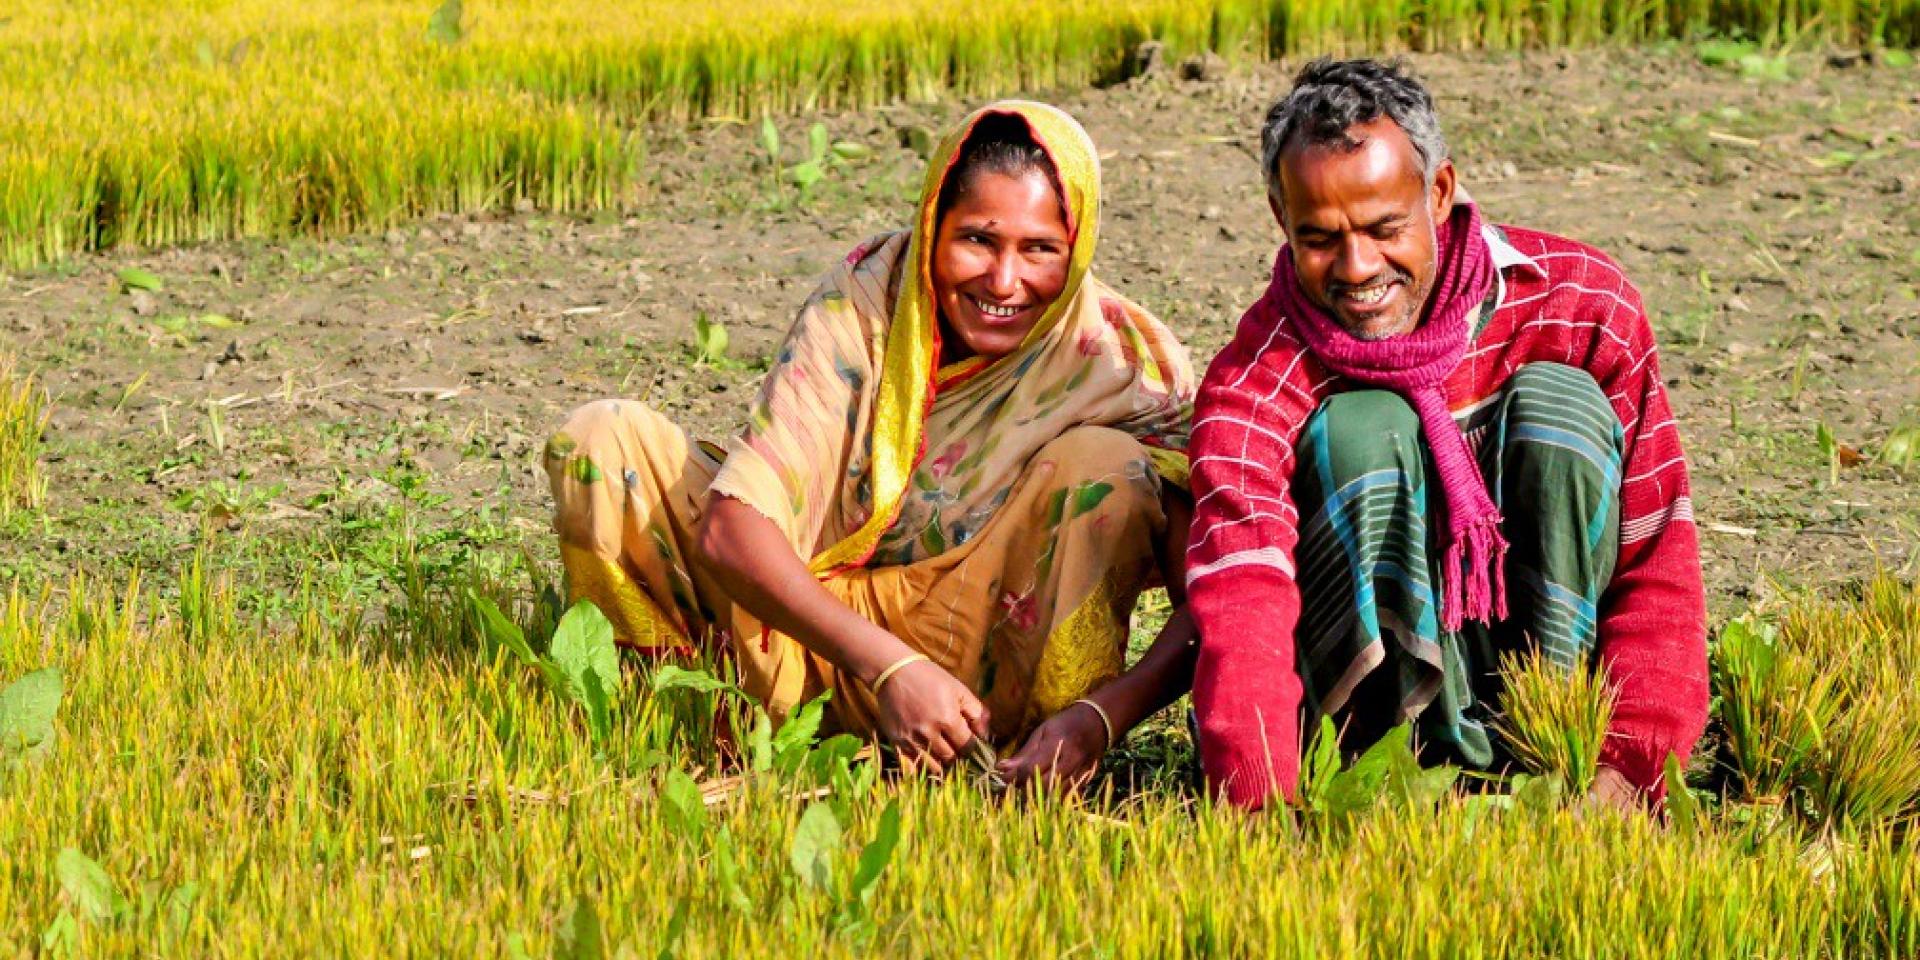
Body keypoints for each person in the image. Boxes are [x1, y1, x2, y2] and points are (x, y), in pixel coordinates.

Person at [545, 102, 1199, 786]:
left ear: (1079, 247)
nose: (1005, 282)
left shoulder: (1117, 363)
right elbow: (731, 527)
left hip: (982, 671)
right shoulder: (863, 307)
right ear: (930, 227)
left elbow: (1213, 595)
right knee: (603, 442)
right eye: (977, 239)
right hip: (807, 633)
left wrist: (1101, 717)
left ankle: (1018, 761)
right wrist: (888, 667)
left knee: (1107, 470)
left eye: (1040, 249)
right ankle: (695, 717)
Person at [1185, 59, 1709, 809]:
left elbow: (1656, 554)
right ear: (1281, 217)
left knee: (1558, 406)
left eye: (1383, 228)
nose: (1358, 267)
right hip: (1371, 751)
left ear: (1437, 194)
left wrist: (1634, 765)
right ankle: (1400, 762)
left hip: (1559, 724)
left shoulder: (1582, 305)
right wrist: (1262, 800)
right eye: (1320, 238)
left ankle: (1546, 753)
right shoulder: (1258, 375)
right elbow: (1243, 595)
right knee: (1362, 430)